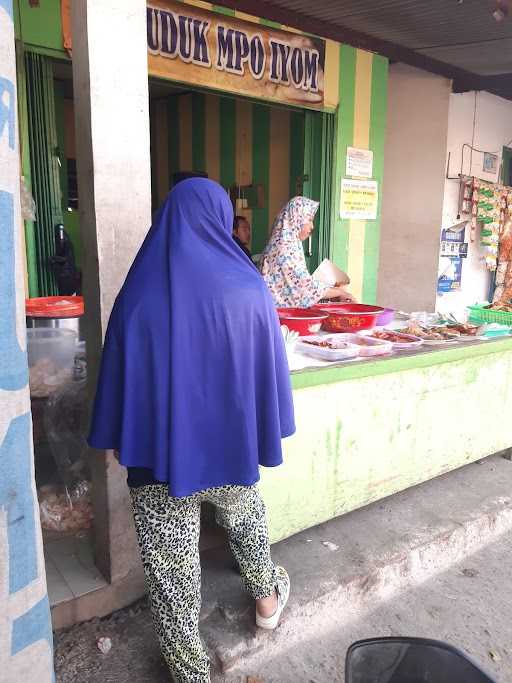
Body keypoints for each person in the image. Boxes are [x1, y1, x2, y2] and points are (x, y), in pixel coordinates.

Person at [88, 178, 294, 683]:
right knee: (246, 521)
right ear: (223, 221)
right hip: (230, 450)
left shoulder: (137, 293)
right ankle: (266, 600)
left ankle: (189, 669)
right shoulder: (250, 289)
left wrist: (122, 435)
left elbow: (120, 374)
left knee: (170, 567)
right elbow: (267, 371)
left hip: (157, 459)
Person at [260, 196, 354, 307]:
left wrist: (334, 290)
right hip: (280, 316)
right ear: (296, 218)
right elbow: (304, 288)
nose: (312, 226)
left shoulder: (290, 243)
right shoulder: (284, 248)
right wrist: (340, 292)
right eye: (309, 220)